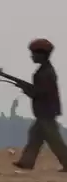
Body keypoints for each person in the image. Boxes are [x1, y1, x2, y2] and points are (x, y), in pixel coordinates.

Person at [13, 38, 67, 171]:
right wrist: (27, 88)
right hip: (46, 111)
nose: (32, 56)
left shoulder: (45, 73)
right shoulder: (45, 71)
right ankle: (26, 162)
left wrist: (26, 89)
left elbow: (40, 93)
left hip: (46, 111)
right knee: (35, 136)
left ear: (42, 55)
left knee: (54, 140)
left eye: (34, 53)